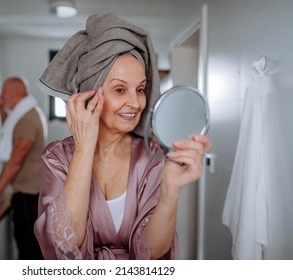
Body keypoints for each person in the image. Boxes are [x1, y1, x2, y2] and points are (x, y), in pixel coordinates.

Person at [34, 14, 212, 260]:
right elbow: (65, 244)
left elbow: (151, 253)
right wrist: (85, 147)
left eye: (140, 89)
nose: (136, 102)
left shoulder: (152, 156)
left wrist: (170, 191)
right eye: (120, 89)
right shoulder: (57, 158)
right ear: (88, 94)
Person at [0, 76, 47, 260]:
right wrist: (1, 112)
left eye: (3, 92)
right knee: (31, 249)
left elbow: (15, 162)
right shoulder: (26, 113)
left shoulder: (27, 119)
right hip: (32, 192)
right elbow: (12, 132)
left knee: (29, 252)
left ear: (14, 94)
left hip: (28, 196)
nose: (0, 96)